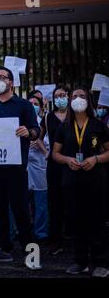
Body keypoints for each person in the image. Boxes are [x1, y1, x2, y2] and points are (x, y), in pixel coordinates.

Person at [0, 67, 39, 266]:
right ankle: (4, 249)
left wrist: (28, 132)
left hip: (15, 167)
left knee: (21, 210)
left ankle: (31, 253)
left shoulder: (23, 105)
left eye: (2, 77)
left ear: (11, 82)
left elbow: (36, 130)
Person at [52, 87, 109, 278]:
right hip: (71, 179)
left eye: (82, 96)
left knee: (96, 219)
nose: (77, 99)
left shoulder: (98, 125)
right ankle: (80, 261)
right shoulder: (64, 127)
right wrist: (68, 160)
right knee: (76, 220)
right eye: (74, 96)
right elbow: (55, 154)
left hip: (95, 179)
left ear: (89, 101)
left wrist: (96, 159)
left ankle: (100, 262)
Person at [39, 87, 69, 255]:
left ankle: (73, 234)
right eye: (57, 96)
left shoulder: (74, 115)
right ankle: (56, 239)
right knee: (55, 201)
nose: (60, 99)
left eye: (63, 95)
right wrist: (46, 152)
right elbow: (39, 136)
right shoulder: (48, 117)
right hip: (54, 164)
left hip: (72, 163)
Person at [27, 95, 49, 243]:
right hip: (23, 167)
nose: (33, 106)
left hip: (40, 166)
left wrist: (39, 142)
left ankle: (41, 232)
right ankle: (23, 230)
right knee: (23, 202)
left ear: (40, 107)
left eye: (36, 104)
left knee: (41, 203)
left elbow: (50, 142)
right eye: (30, 104)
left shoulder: (44, 123)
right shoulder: (19, 123)